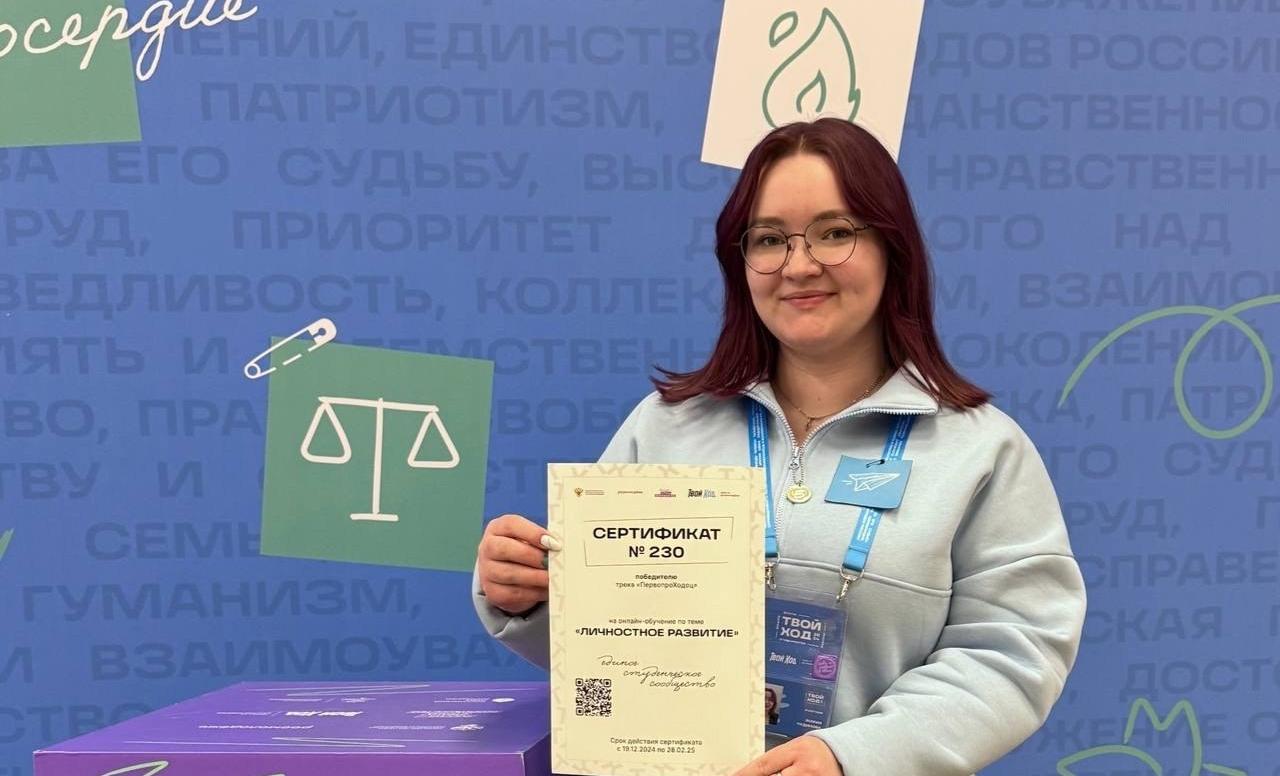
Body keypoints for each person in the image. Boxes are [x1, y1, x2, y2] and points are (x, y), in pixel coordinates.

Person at [472, 117, 1087, 776]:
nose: (799, 265)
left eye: (834, 232)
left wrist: (851, 757)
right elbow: (610, 643)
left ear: (892, 247)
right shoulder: (664, 427)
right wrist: (528, 595)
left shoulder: (981, 451)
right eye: (769, 239)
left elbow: (1012, 653)